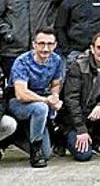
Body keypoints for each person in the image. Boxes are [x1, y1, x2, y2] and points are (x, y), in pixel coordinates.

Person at [0, 0, 69, 77]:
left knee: (36, 89)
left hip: (38, 50)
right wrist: (8, 33)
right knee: (14, 88)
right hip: (13, 50)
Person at [59, 33, 100, 161]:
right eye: (99, 48)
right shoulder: (78, 66)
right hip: (74, 120)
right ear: (92, 48)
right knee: (84, 156)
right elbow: (71, 100)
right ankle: (61, 139)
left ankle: (99, 142)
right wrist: (81, 129)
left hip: (94, 115)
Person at [7, 27, 64, 167]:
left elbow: (56, 84)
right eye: (41, 43)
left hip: (39, 102)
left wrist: (55, 96)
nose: (45, 48)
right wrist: (47, 100)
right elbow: (21, 94)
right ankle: (35, 151)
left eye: (50, 44)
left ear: (55, 45)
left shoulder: (56, 60)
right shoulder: (22, 61)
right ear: (34, 44)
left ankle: (17, 137)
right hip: (16, 102)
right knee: (41, 108)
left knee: (48, 154)